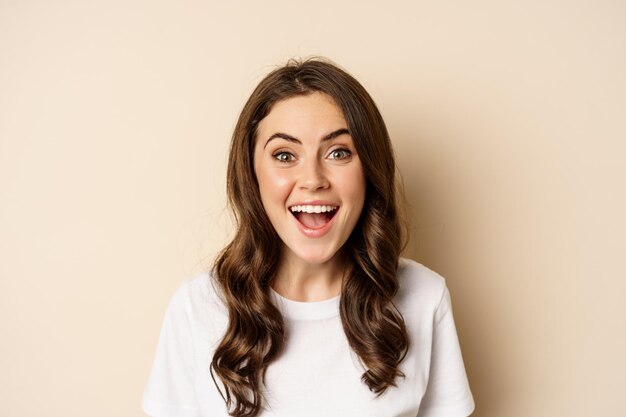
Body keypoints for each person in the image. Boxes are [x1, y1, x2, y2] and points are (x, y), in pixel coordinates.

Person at [142, 58, 475, 417]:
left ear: (369, 171)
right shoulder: (197, 306)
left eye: (338, 152)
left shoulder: (424, 298)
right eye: (285, 155)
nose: (313, 179)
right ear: (252, 174)